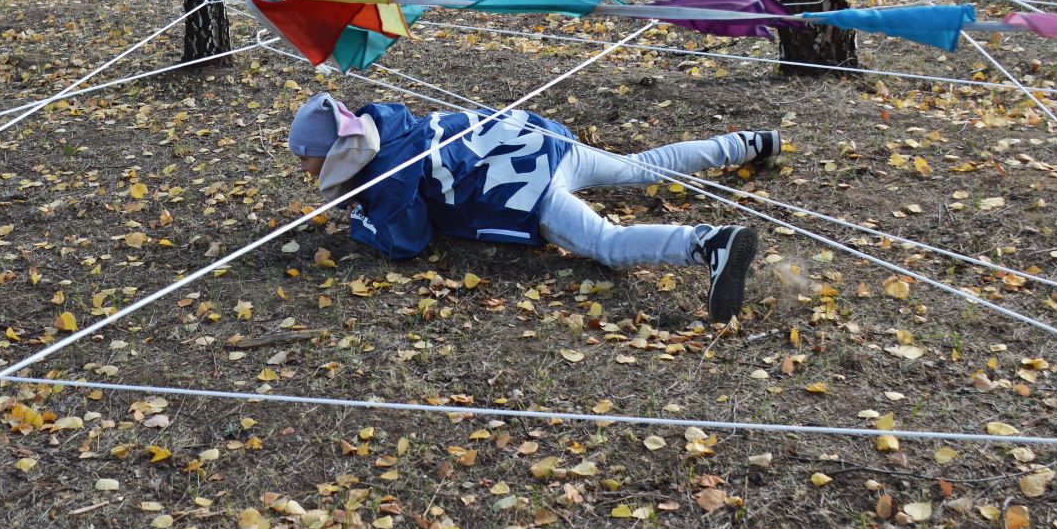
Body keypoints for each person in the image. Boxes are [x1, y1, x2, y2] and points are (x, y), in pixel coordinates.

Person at [288, 93, 772, 323]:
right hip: (543, 143)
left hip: (524, 191)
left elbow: (408, 242)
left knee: (606, 244)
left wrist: (362, 218)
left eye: (307, 158)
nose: (305, 169)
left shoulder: (390, 175)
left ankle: (708, 243)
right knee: (642, 167)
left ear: (332, 152)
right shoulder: (390, 123)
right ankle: (747, 144)